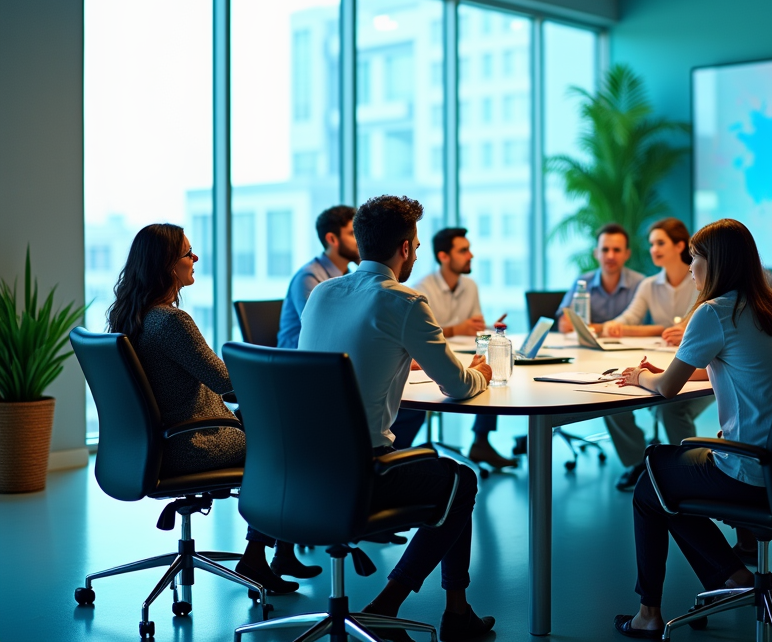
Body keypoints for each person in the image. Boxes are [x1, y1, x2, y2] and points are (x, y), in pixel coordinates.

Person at [298, 195, 496, 642]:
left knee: (448, 478)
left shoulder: (323, 293)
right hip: (362, 471)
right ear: (405, 249)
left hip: (301, 466)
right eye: (418, 244)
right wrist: (480, 373)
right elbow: (459, 386)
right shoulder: (404, 301)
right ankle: (391, 605)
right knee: (459, 481)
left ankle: (458, 611)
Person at [612, 219, 772, 639]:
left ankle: (651, 613)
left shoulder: (713, 312)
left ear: (713, 263)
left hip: (751, 468)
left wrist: (638, 376)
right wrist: (675, 372)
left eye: (694, 256)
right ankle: (729, 575)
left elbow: (665, 389)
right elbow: (737, 365)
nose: (690, 264)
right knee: (662, 483)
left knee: (651, 485)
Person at [107, 224, 317, 596]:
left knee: (271, 427)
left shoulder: (130, 318)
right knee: (285, 446)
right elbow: (227, 382)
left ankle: (279, 552)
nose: (195, 259)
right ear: (168, 265)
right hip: (190, 444)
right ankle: (259, 555)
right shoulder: (172, 322)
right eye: (188, 253)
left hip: (155, 444)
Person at [601, 218, 717, 492]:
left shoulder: (701, 283)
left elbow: (694, 327)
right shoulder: (649, 285)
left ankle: (688, 477)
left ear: (681, 246)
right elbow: (628, 319)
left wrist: (678, 330)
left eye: (660, 243)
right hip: (668, 361)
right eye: (651, 243)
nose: (653, 249)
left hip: (697, 366)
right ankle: (638, 461)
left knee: (670, 406)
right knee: (611, 397)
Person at [412, 227, 516, 470]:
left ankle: (481, 441)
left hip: (465, 352)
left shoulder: (470, 286)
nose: (471, 255)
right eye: (464, 251)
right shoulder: (421, 289)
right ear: (444, 256)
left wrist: (482, 328)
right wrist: (458, 328)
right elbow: (422, 336)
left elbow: (475, 327)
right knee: (478, 372)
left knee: (488, 368)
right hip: (434, 359)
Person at [277, 204, 359, 349]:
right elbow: (322, 330)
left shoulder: (350, 275)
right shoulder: (309, 277)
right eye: (353, 234)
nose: (360, 240)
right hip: (296, 363)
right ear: (332, 239)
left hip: (327, 357)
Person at [556, 223, 645, 335]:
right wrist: (566, 321)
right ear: (596, 253)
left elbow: (650, 325)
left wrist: (595, 328)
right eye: (605, 250)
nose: (610, 256)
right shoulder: (582, 282)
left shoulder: (641, 283)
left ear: (627, 254)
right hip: (589, 349)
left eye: (616, 250)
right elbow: (565, 321)